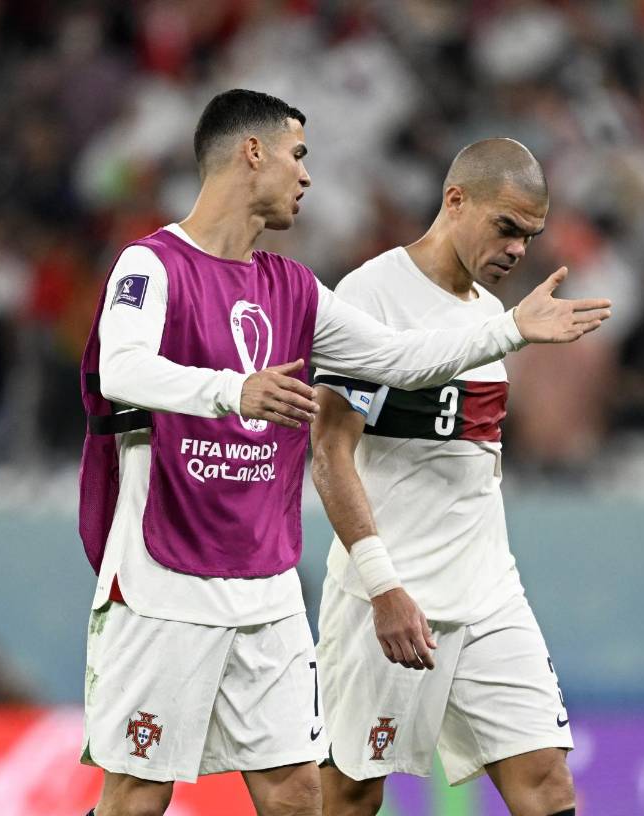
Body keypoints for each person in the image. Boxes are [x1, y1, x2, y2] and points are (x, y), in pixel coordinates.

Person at [77, 92, 611, 816]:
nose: (306, 176)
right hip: (166, 579)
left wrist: (510, 330)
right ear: (253, 153)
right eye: (298, 156)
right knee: (140, 794)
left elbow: (399, 356)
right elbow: (123, 369)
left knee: (299, 794)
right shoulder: (152, 266)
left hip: (267, 587)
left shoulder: (295, 287)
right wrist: (235, 392)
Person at [310, 139, 579, 816]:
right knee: (350, 795)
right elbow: (330, 451)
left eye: (530, 236)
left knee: (546, 781)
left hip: (488, 593)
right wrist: (383, 586)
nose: (519, 249)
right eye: (507, 227)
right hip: (390, 594)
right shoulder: (372, 296)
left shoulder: (493, 317)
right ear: (455, 201)